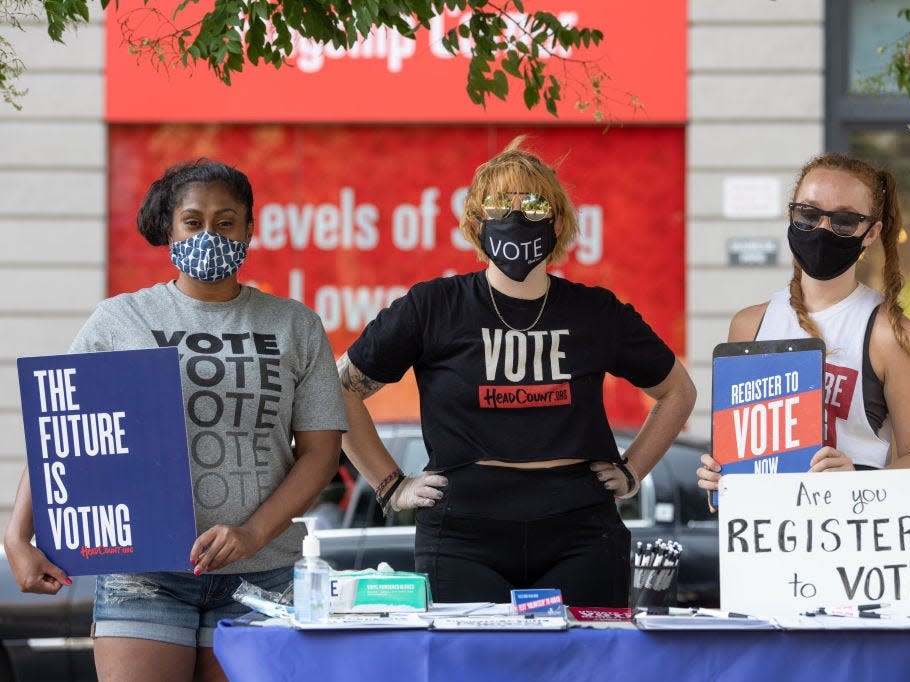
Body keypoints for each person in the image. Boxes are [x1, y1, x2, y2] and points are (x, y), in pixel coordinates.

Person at [3, 160, 348, 681]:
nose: (209, 234)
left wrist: (252, 534)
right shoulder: (120, 320)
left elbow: (321, 454)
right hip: (145, 573)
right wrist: (17, 538)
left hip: (263, 576)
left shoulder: (295, 325)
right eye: (193, 221)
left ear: (250, 229)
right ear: (170, 228)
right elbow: (62, 432)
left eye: (226, 221)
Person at [337, 137, 696, 607]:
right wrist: (391, 486)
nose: (516, 216)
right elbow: (336, 390)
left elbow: (678, 392)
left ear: (559, 221)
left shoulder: (595, 312)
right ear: (474, 221)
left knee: (583, 670)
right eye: (498, 204)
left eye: (533, 203)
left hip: (581, 530)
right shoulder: (433, 307)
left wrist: (632, 472)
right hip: (463, 533)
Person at [697, 152, 910, 498]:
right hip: (768, 539)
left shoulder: (887, 332)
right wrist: (721, 477)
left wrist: (859, 479)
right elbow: (742, 449)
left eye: (842, 221)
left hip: (857, 537)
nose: (821, 230)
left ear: (871, 232)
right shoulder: (749, 325)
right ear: (790, 214)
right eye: (808, 214)